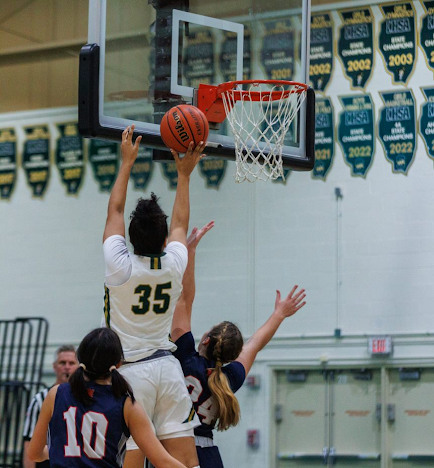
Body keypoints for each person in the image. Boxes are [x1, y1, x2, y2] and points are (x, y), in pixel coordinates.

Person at [102, 125, 205, 468]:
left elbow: (115, 211)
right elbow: (180, 221)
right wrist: (184, 174)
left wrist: (127, 163)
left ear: (129, 238)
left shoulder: (120, 267)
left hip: (132, 375)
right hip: (167, 368)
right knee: (187, 464)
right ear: (164, 241)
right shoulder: (175, 263)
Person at [171, 222, 306, 468]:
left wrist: (190, 252)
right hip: (209, 455)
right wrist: (279, 314)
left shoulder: (185, 357)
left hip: (176, 451)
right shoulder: (229, 376)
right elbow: (255, 344)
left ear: (205, 340)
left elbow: (184, 300)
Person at [27, 328, 188, 468]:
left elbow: (34, 454)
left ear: (80, 359)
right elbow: (164, 462)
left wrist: (62, 451)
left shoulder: (56, 393)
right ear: (118, 364)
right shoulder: (127, 405)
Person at [23, 345, 78, 468]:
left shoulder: (86, 399)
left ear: (78, 368)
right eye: (62, 363)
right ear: (54, 367)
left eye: (71, 363)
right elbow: (28, 441)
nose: (67, 367)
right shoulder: (39, 399)